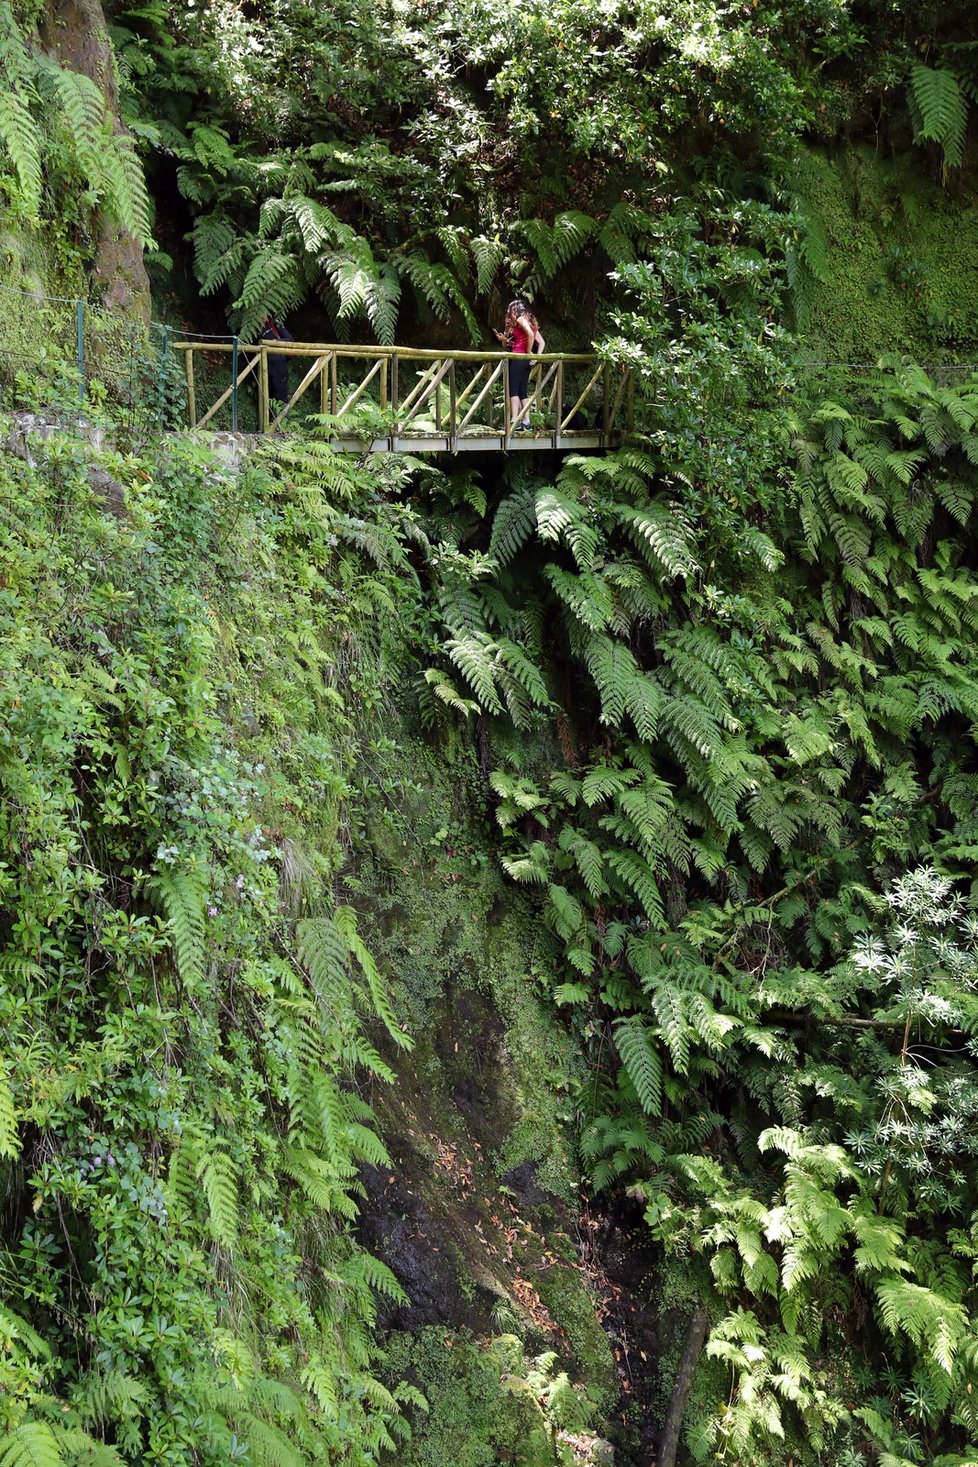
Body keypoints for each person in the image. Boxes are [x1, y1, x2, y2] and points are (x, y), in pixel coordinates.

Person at [495, 299, 544, 431]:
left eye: (509, 310)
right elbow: (539, 341)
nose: (508, 313)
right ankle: (526, 422)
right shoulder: (529, 321)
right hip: (524, 359)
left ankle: (514, 420)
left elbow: (530, 335)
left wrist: (529, 352)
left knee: (513, 389)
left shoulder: (522, 320)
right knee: (522, 391)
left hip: (519, 357)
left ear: (515, 309)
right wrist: (535, 357)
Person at [261, 316, 294, 405]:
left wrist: (276, 342)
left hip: (279, 364)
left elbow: (290, 340)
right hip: (266, 366)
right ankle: (270, 418)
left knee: (281, 395)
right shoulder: (255, 328)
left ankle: (282, 418)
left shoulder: (275, 323)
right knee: (269, 396)